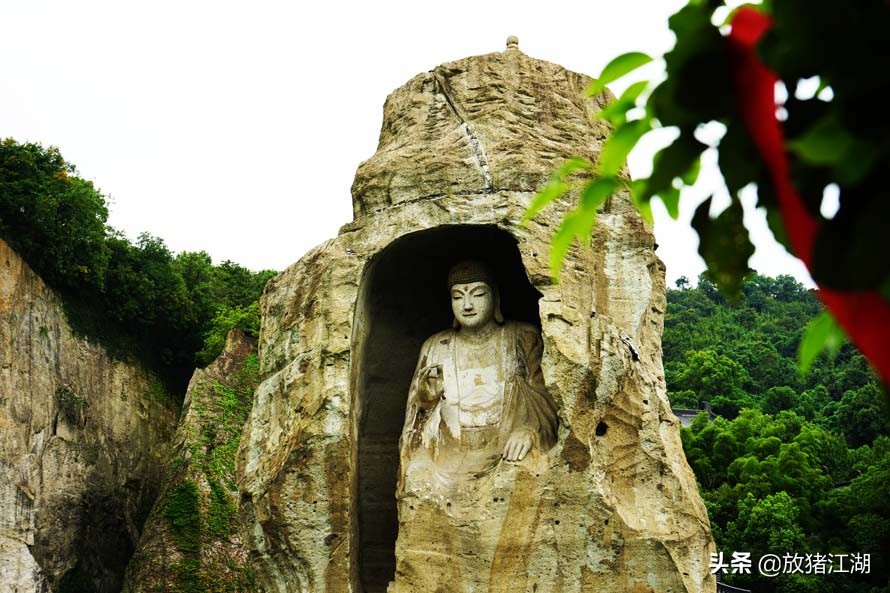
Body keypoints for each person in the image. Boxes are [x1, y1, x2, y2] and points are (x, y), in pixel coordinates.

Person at [396, 260, 558, 497]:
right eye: (458, 297)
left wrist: (529, 431)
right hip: (448, 453)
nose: (468, 305)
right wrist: (426, 400)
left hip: (505, 449)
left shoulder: (521, 338)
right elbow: (415, 421)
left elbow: (546, 402)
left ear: (495, 299)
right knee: (417, 478)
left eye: (478, 294)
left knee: (523, 478)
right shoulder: (435, 346)